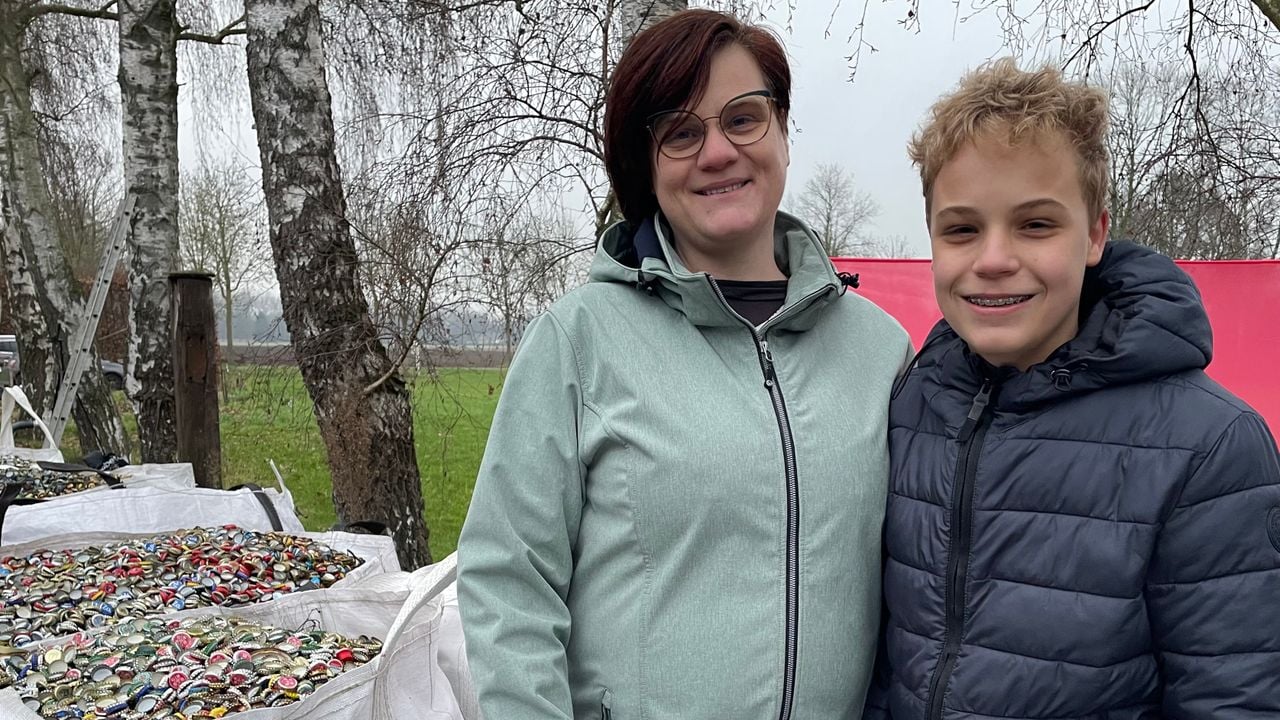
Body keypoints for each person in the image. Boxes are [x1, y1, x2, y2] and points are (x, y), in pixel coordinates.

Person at [457, 9, 911, 719]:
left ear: (783, 130)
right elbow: (508, 582)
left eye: (743, 118)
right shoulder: (578, 342)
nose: (718, 151)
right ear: (645, 165)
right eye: (681, 132)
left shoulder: (882, 352)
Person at [867, 58, 1280, 719]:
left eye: (1035, 224)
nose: (994, 259)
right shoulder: (907, 406)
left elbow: (1236, 696)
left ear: (1094, 234)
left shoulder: (1211, 446)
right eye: (963, 229)